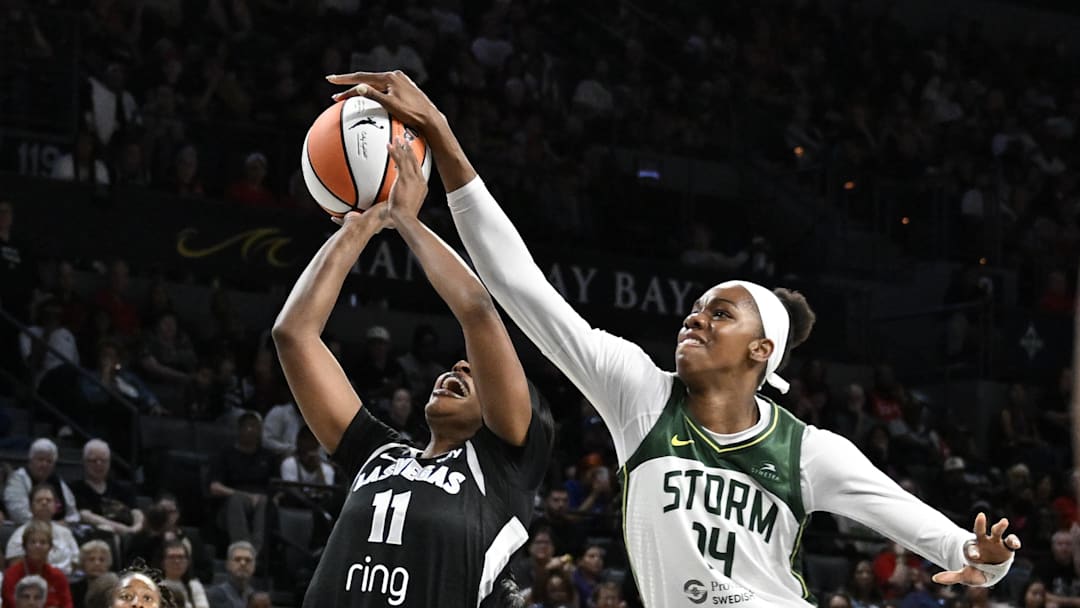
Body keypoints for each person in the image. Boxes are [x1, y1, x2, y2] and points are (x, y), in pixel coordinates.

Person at [326, 70, 1023, 607]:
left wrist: (988, 556)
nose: (694, 318)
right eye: (694, 308)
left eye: (720, 314)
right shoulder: (637, 392)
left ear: (762, 352)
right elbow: (519, 286)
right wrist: (444, 136)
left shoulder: (811, 452)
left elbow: (950, 541)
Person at [271, 132, 552, 607]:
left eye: (478, 371)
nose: (463, 365)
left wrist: (408, 221)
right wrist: (356, 229)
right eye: (460, 363)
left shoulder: (505, 468)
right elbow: (293, 333)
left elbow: (477, 313)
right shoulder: (378, 454)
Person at [71, 439, 144, 536]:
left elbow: (136, 512)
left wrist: (136, 528)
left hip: (129, 533)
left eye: (103, 460)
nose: (99, 464)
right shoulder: (76, 488)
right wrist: (123, 530)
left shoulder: (123, 488)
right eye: (93, 461)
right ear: (84, 462)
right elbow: (86, 516)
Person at [6, 484, 81, 575]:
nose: (44, 503)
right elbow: (15, 567)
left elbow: (76, 561)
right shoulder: (19, 534)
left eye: (49, 500)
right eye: (39, 500)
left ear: (56, 506)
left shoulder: (65, 533)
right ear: (31, 507)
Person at [3, 438, 79, 526]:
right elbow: (19, 515)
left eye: (49, 461)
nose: (44, 464)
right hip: (28, 531)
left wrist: (67, 523)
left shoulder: (57, 482)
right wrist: (53, 526)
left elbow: (73, 514)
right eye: (40, 459)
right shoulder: (18, 478)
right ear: (31, 460)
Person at [1, 521, 73, 608]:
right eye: (33, 542)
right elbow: (12, 604)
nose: (37, 546)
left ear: (50, 547)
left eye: (43, 542)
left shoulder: (58, 576)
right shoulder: (11, 575)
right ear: (25, 546)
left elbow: (67, 605)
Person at [205, 541, 257, 608]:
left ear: (254, 566)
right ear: (228, 565)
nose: (243, 563)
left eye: (248, 560)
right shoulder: (212, 595)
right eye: (237, 559)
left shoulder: (256, 597)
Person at [161, 539, 208, 608]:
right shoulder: (152, 586)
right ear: (162, 562)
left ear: (188, 562)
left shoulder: (194, 586)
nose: (176, 561)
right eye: (171, 557)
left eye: (180, 557)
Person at [70, 540, 113, 608]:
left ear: (108, 564)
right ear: (83, 563)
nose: (97, 563)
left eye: (102, 560)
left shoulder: (116, 588)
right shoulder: (74, 589)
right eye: (91, 559)